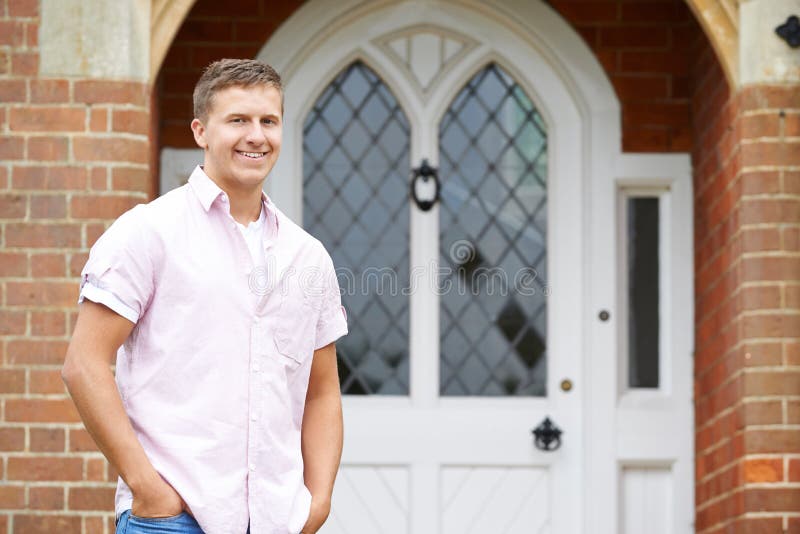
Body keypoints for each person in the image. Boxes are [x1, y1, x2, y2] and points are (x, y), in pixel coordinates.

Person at [62, 59, 348, 534]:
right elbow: (83, 364)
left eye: (268, 121)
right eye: (237, 120)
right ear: (200, 131)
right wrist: (147, 488)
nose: (256, 135)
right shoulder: (148, 231)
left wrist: (317, 503)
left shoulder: (308, 256)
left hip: (278, 520)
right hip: (174, 520)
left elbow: (322, 391)